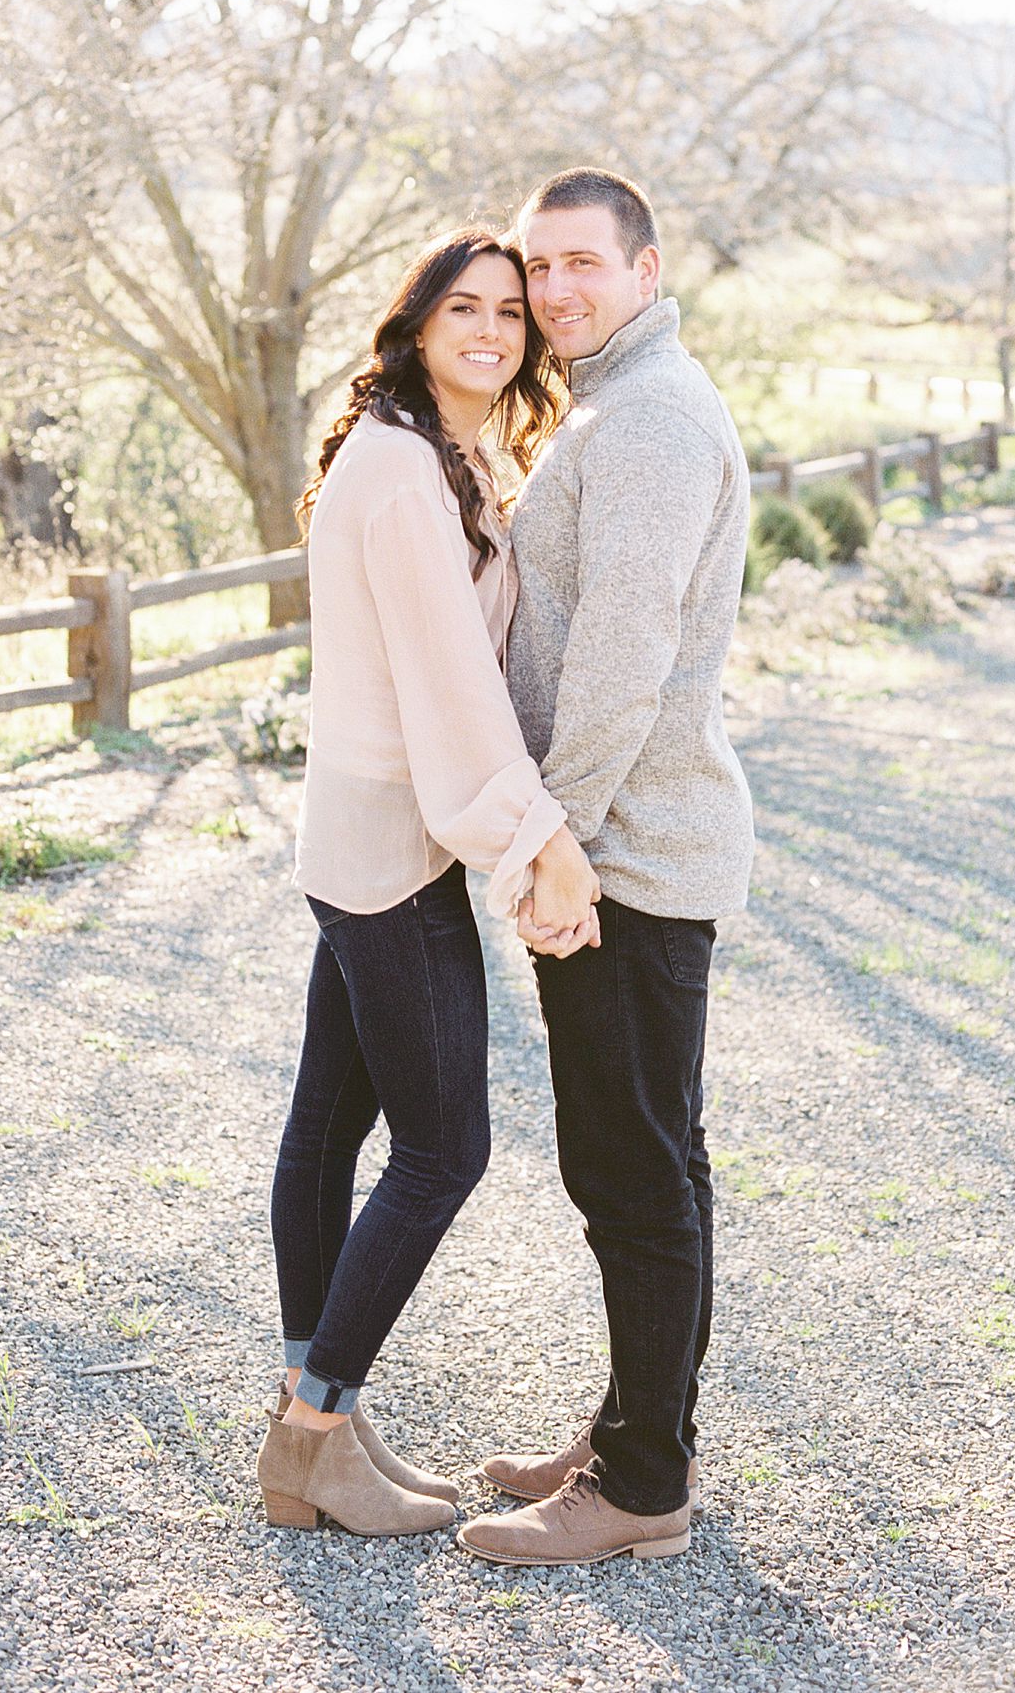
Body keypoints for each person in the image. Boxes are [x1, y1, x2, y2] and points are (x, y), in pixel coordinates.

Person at [257, 228, 601, 1539]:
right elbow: (449, 689)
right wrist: (531, 840)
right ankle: (316, 1437)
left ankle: (311, 1419)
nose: (495, 328)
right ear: (413, 326)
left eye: (510, 312)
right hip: (389, 847)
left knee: (330, 1125)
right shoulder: (402, 471)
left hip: (360, 835)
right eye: (463, 307)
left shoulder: (436, 454)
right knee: (445, 1143)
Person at [458, 167, 754, 1569]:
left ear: (645, 268)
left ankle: (641, 1487)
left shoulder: (646, 421)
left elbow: (622, 655)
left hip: (620, 857)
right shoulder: (621, 404)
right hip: (625, 846)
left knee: (627, 1174)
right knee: (657, 1162)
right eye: (539, 268)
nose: (556, 291)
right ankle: (640, 1429)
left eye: (583, 264)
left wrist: (548, 839)